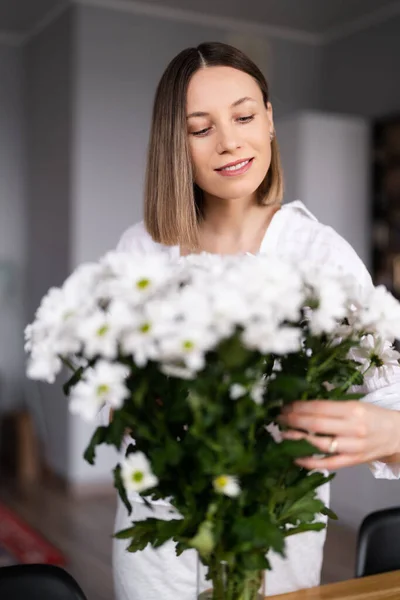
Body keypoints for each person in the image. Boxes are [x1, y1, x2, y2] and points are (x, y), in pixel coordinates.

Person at [112, 42, 400, 599]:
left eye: (243, 116)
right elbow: (115, 400)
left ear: (269, 119)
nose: (229, 141)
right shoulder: (141, 250)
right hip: (153, 544)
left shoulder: (318, 255)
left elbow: (392, 399)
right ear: (176, 145)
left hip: (272, 541)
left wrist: (384, 431)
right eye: (201, 128)